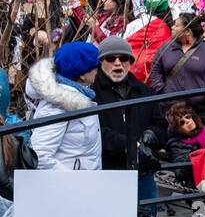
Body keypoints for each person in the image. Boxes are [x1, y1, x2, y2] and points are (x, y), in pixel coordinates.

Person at [93, 36, 167, 208]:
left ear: (130, 61)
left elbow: (160, 124)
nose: (118, 63)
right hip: (109, 171)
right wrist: (130, 145)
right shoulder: (93, 92)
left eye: (123, 58)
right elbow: (95, 132)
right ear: (101, 62)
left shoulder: (143, 90)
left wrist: (151, 137)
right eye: (111, 59)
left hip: (142, 172)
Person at [26, 42, 103, 170]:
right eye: (95, 66)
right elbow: (40, 156)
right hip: (71, 187)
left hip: (86, 186)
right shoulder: (59, 104)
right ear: (82, 74)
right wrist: (73, 182)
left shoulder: (77, 98)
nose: (97, 70)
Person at [148, 11, 205, 121]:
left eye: (176, 25)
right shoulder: (166, 48)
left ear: (187, 31)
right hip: (171, 110)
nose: (172, 27)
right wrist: (162, 90)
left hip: (201, 112)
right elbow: (155, 70)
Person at [126, 0, 174, 83]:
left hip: (129, 74)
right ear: (167, 9)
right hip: (151, 80)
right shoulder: (164, 28)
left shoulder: (134, 24)